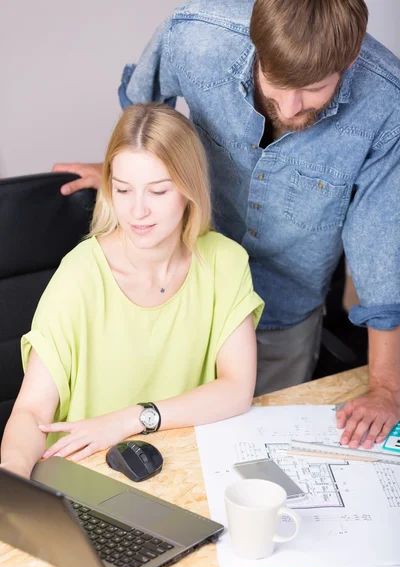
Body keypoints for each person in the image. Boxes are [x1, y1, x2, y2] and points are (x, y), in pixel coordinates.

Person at [52, 0, 400, 450]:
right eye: (276, 84)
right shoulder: (196, 36)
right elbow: (143, 108)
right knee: (169, 451)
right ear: (256, 47)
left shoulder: (386, 104)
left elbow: (381, 249)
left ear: (349, 59)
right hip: (183, 295)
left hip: (283, 306)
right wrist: (130, 178)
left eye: (314, 89)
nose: (291, 109)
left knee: (264, 456)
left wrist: (386, 389)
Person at [0, 103, 264, 478]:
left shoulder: (226, 262)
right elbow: (31, 410)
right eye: (123, 190)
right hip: (90, 476)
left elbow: (237, 389)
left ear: (188, 190)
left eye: (157, 191)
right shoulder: (79, 275)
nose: (137, 211)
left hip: (185, 466)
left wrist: (131, 419)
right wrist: (12, 475)